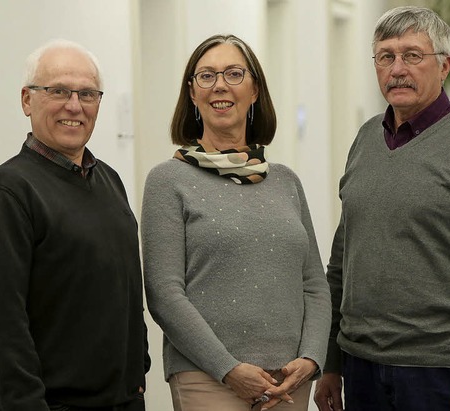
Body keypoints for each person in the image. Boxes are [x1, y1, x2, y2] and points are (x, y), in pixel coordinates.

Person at [314, 6, 450, 411]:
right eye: (386, 56)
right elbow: (343, 263)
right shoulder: (365, 140)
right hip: (361, 367)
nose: (397, 69)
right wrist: (330, 360)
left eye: (412, 55)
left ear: (444, 66)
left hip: (445, 373)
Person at [141, 33, 331, 411]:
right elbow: (164, 292)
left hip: (289, 381)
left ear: (255, 90)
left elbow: (314, 284)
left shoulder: (286, 181)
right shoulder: (168, 181)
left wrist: (311, 359)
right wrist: (228, 368)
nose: (220, 86)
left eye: (233, 73)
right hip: (207, 378)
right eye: (206, 76)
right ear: (192, 94)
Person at [0, 39, 150, 411]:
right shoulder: (8, 192)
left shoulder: (109, 180)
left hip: (123, 401)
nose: (74, 105)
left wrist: (137, 372)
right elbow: (3, 324)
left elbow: (125, 286)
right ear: (26, 100)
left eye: (87, 94)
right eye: (58, 91)